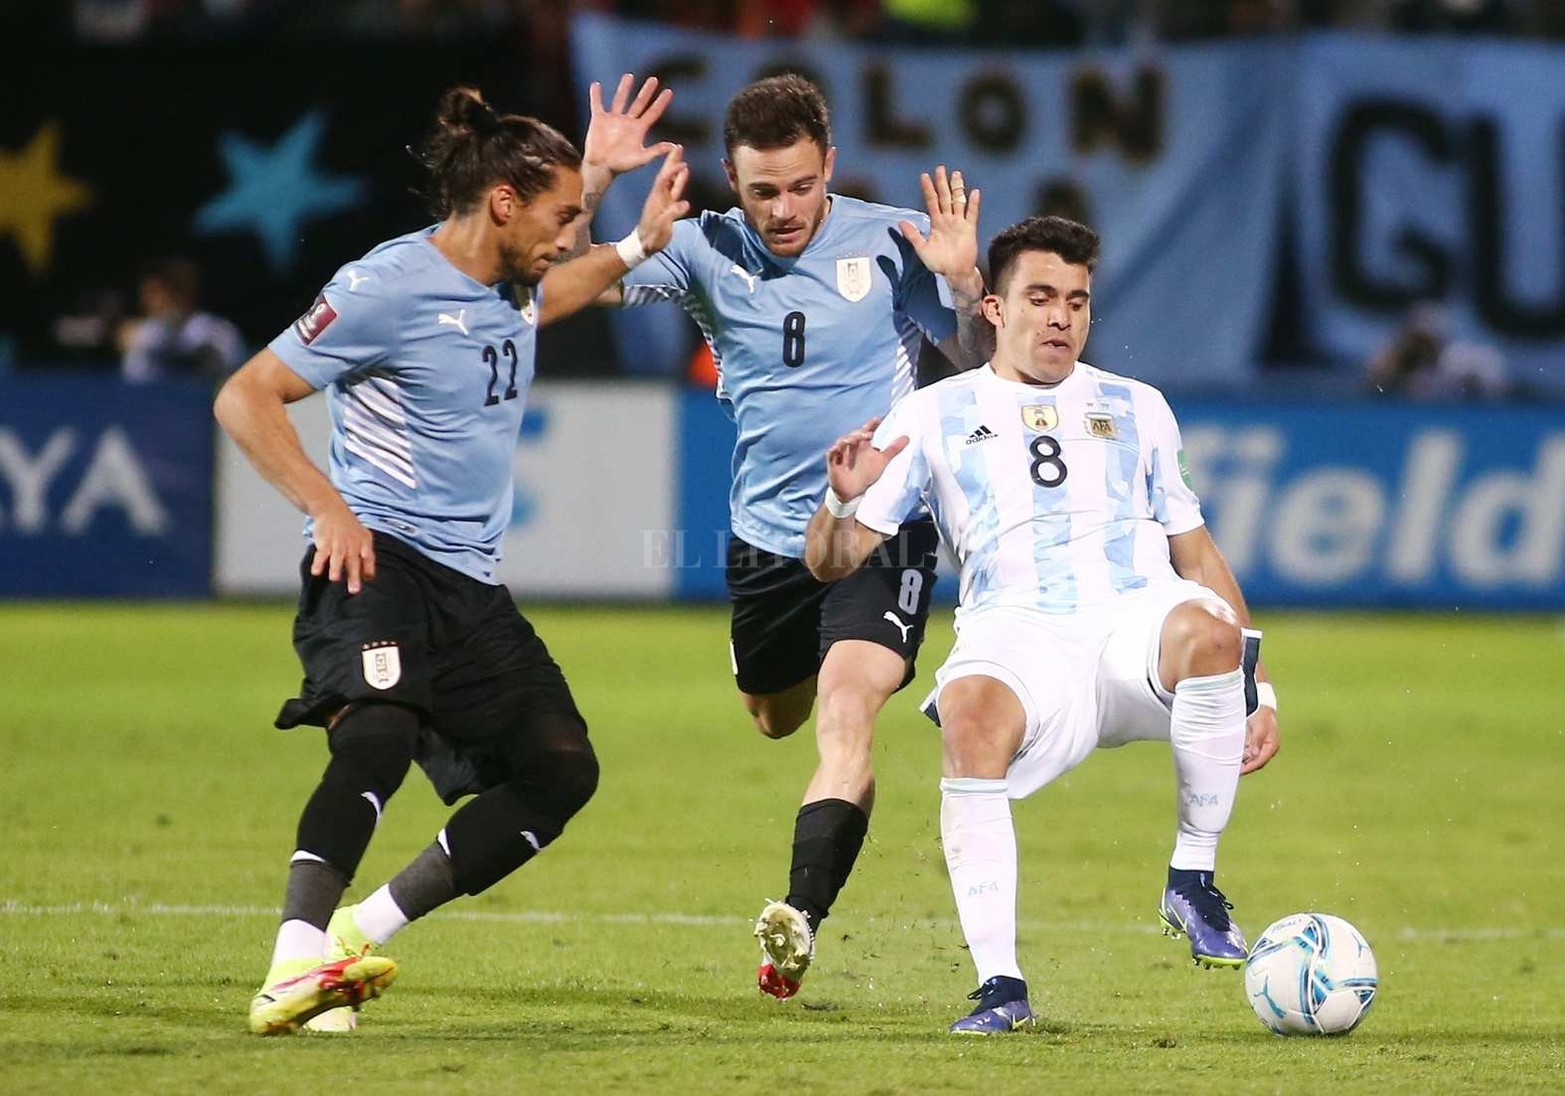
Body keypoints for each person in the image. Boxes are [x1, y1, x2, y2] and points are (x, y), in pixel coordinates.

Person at [215, 78, 687, 1036]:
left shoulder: (506, 285)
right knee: (379, 731)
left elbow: (554, 289)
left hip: (469, 586)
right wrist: (328, 508)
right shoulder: (384, 287)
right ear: (503, 205)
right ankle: (291, 964)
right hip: (375, 559)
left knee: (561, 771)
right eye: (560, 214)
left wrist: (622, 224)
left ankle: (358, 932)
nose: (573, 230)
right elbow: (245, 397)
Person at [803, 215, 1281, 1034]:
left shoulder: (1141, 408)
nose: (1060, 317)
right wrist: (842, 497)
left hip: (1134, 623)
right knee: (970, 714)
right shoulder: (931, 412)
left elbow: (1196, 554)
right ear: (992, 307)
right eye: (1040, 297)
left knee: (1212, 633)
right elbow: (832, 561)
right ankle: (1001, 987)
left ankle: (1191, 880)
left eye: (1076, 301)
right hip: (1017, 631)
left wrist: (1258, 686)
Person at [595, 73, 989, 999]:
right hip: (766, 540)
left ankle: (797, 919)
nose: (781, 210)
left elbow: (982, 376)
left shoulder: (898, 240)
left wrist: (967, 285)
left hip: (880, 527)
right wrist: (589, 182)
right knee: (775, 718)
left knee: (848, 716)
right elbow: (562, 276)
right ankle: (808, 688)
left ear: (831, 169)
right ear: (730, 179)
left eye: (801, 187)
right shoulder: (699, 248)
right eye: (760, 190)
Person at [120, 257, 245, 383]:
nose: (149, 301)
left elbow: (233, 380)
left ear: (183, 293)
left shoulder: (220, 332)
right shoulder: (142, 333)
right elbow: (134, 380)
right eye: (148, 294)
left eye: (157, 293)